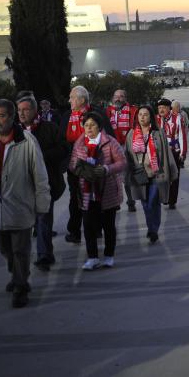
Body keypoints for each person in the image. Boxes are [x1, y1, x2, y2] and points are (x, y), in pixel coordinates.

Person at [0, 99, 50, 307]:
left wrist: (42, 206)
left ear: (12, 117)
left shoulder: (27, 142)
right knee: (5, 249)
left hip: (21, 208)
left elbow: (40, 176)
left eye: (1, 116)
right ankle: (17, 275)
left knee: (20, 250)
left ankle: (21, 288)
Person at [68, 112, 126, 268]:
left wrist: (107, 169)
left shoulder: (110, 142)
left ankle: (109, 255)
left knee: (108, 225)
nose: (89, 128)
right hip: (86, 192)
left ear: (99, 127)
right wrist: (81, 170)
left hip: (107, 191)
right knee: (88, 225)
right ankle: (92, 257)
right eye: (86, 125)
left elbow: (122, 162)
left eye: (92, 125)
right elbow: (73, 163)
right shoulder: (79, 143)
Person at [16, 95, 67, 272]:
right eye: (19, 110)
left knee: (44, 218)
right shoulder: (14, 132)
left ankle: (44, 255)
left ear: (35, 110)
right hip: (22, 186)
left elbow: (63, 148)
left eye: (26, 109)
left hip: (46, 182)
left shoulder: (49, 128)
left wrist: (42, 156)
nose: (22, 114)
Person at [59, 86, 113, 244]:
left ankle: (96, 229)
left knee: (94, 197)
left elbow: (108, 137)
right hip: (74, 165)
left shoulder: (97, 115)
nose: (69, 100)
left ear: (82, 100)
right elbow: (61, 139)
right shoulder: (67, 116)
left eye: (72, 97)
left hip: (93, 162)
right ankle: (74, 231)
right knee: (75, 197)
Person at [125, 106, 177, 243]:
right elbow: (127, 155)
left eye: (145, 114)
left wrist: (171, 172)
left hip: (156, 173)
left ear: (151, 117)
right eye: (140, 114)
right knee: (145, 203)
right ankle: (151, 227)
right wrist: (127, 173)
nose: (142, 117)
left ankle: (153, 230)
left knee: (153, 201)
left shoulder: (158, 133)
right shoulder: (131, 134)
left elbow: (166, 153)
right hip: (139, 174)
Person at [106, 89, 139, 212]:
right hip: (111, 146)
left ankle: (130, 200)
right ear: (112, 98)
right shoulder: (108, 112)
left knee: (127, 176)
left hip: (127, 146)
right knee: (113, 177)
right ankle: (115, 202)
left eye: (121, 96)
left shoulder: (133, 110)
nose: (118, 99)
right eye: (116, 96)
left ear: (126, 98)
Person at [157, 98, 186, 209]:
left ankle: (172, 200)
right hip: (160, 153)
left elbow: (182, 136)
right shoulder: (155, 119)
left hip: (174, 151)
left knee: (174, 176)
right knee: (162, 177)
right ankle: (165, 197)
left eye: (163, 107)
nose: (161, 110)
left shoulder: (177, 118)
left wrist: (182, 153)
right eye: (159, 108)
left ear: (169, 108)